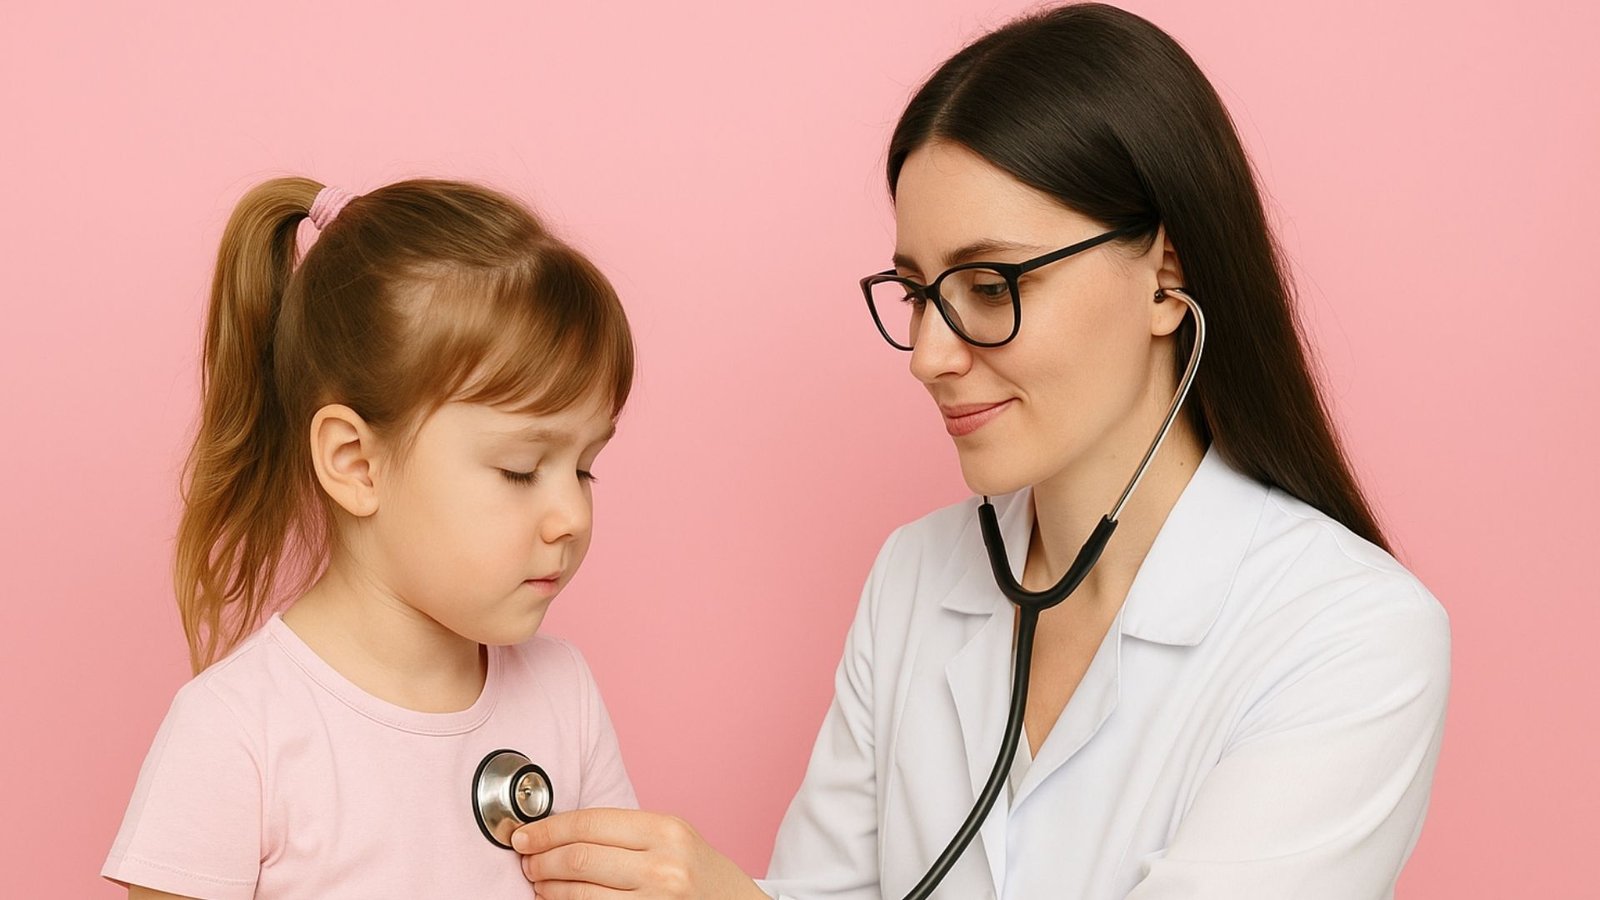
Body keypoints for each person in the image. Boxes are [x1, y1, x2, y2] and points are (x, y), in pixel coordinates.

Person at [509, 4, 1450, 899]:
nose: (929, 355)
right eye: (918, 292)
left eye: (991, 287)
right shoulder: (915, 578)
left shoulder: (1350, 635)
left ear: (1168, 277)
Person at [103, 177, 639, 898]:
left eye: (584, 470)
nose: (571, 515)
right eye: (519, 470)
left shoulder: (561, 697)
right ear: (356, 463)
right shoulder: (237, 734)